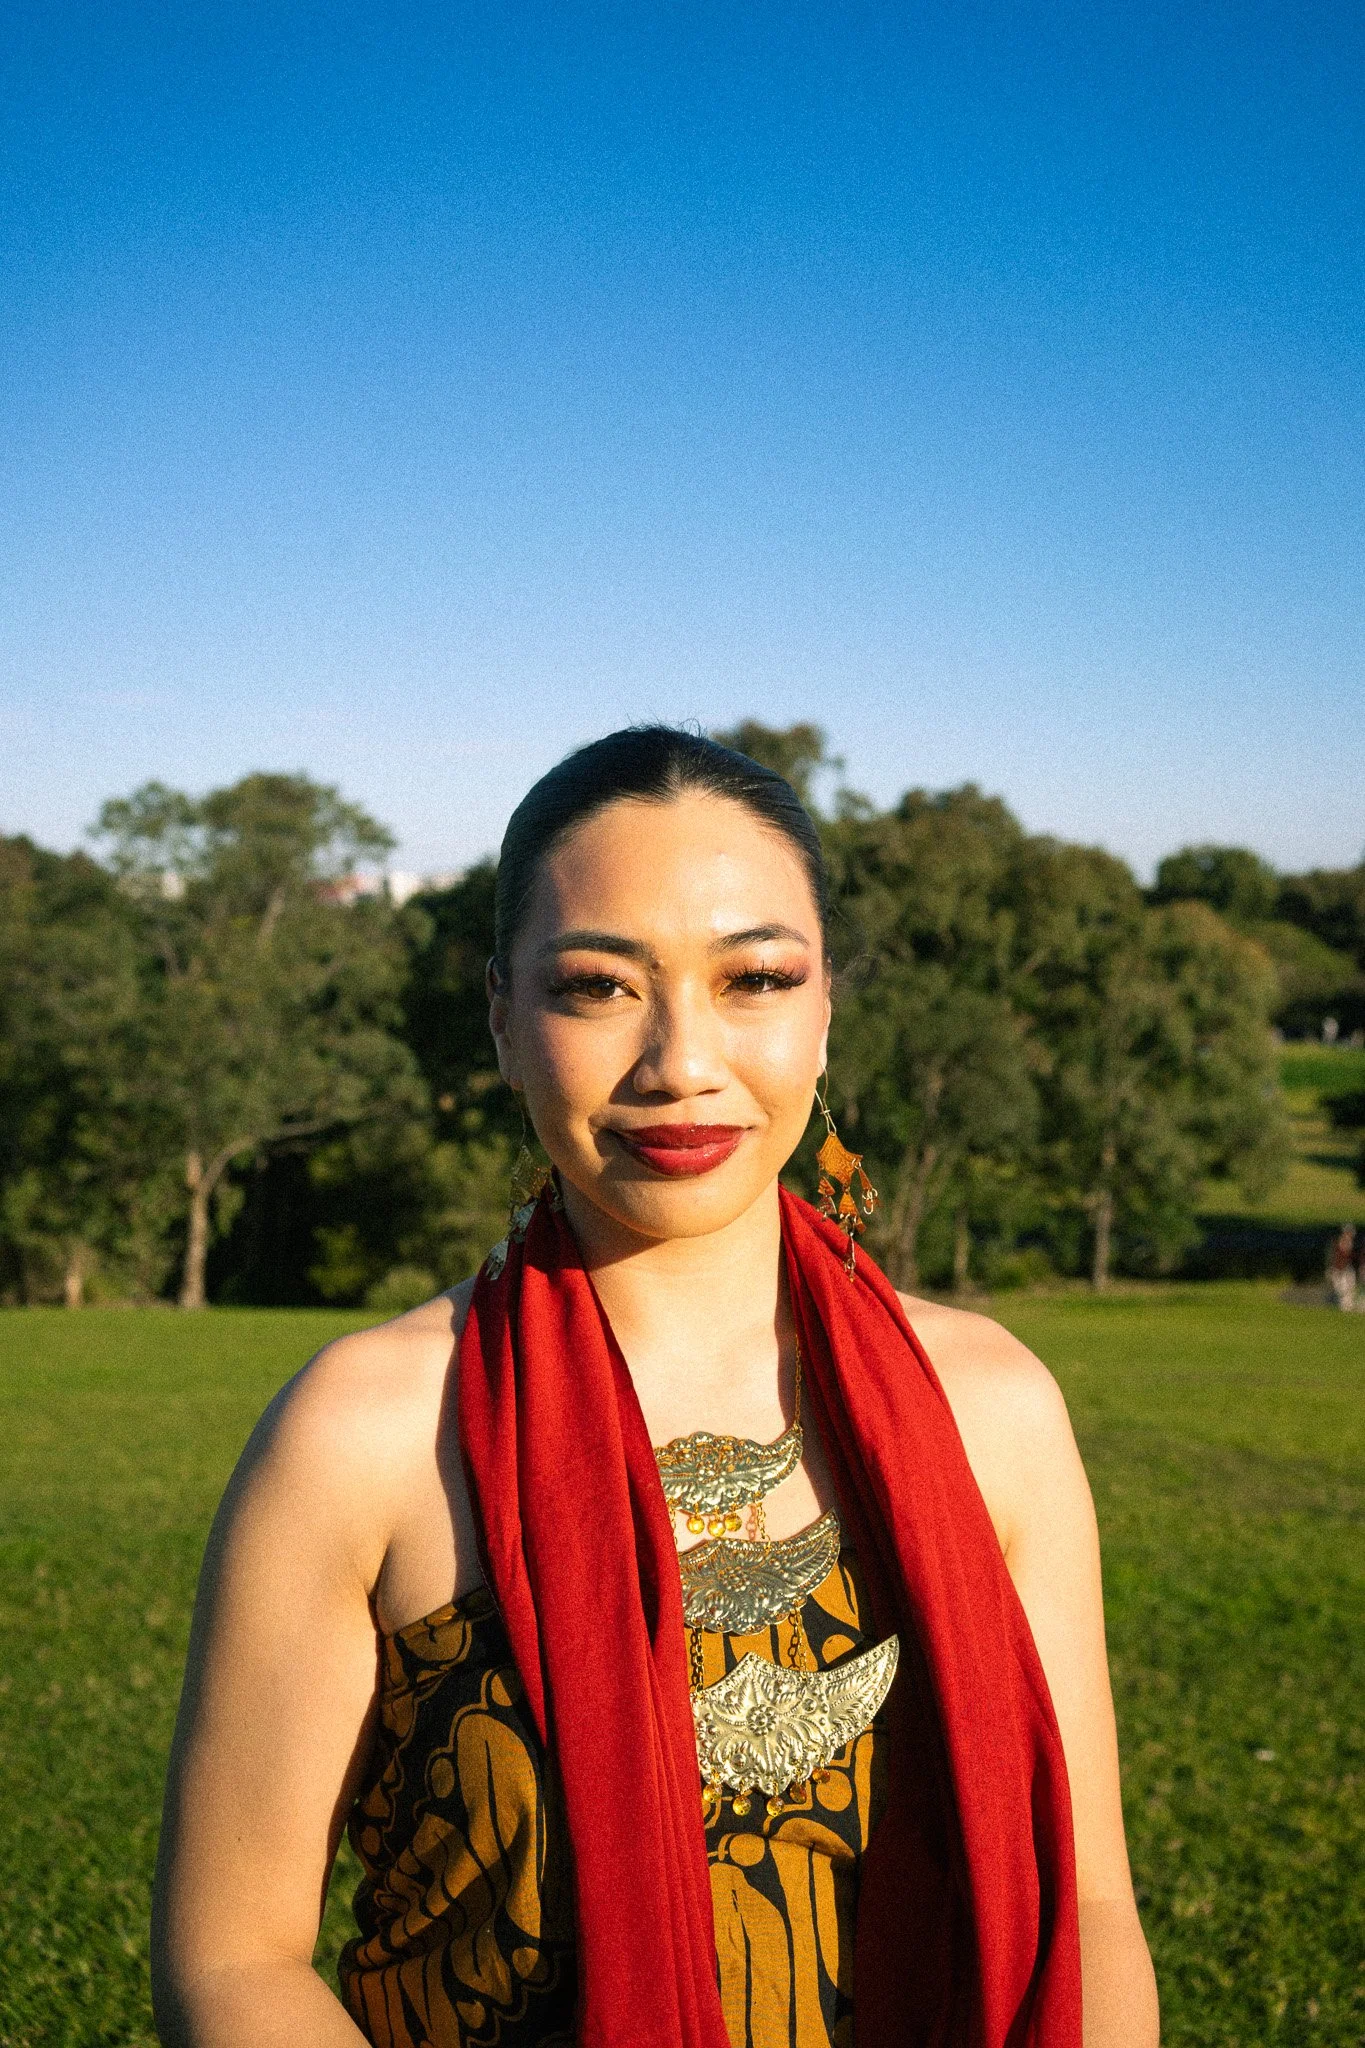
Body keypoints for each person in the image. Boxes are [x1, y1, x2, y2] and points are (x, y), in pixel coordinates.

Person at [151, 728, 1158, 2048]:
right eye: (596, 987)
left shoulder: (992, 1409)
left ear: (825, 1008)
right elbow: (235, 1960)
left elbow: (1084, 1901)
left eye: (752, 978)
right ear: (504, 1020)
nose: (682, 1060)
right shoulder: (368, 1431)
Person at [1327, 1225, 1357, 1311]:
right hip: (1338, 1271)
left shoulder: (1350, 1243)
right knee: (1340, 1291)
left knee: (1349, 1289)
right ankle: (1341, 1307)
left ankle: (1348, 1307)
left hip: (1346, 1270)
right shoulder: (1339, 1243)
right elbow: (1335, 1259)